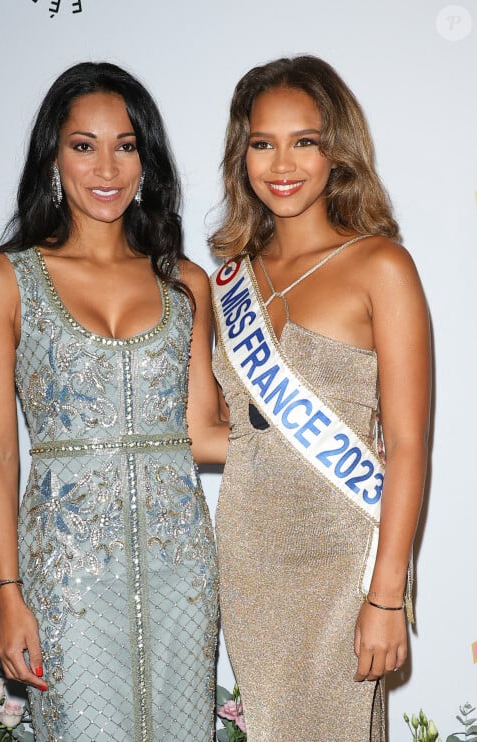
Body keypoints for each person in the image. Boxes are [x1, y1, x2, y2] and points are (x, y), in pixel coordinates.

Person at [0, 61, 227, 742]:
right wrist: (7, 594)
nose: (106, 168)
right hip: (67, 571)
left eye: (126, 145)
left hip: (181, 570)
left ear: (147, 158)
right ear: (54, 155)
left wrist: (321, 437)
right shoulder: (3, 280)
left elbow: (204, 434)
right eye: (84, 145)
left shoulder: (185, 281)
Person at [209, 55, 431, 742]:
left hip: (343, 561)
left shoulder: (380, 266)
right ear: (241, 154)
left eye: (304, 140)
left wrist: (386, 594)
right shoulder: (229, 280)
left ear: (336, 150)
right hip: (249, 555)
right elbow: (239, 433)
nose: (283, 162)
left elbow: (412, 445)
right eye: (262, 142)